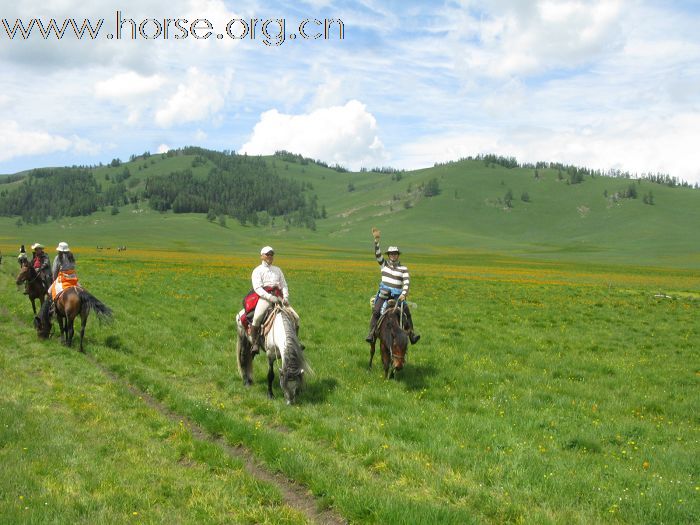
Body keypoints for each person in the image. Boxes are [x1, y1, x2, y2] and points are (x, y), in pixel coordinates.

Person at [365, 227, 420, 345]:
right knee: (376, 311)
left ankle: (412, 335)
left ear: (398, 255)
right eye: (391, 254)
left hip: (397, 297)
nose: (393, 256)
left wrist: (404, 294)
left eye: (395, 254)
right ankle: (371, 333)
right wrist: (376, 241)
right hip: (384, 295)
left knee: (407, 313)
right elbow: (378, 255)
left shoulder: (403, 269)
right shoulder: (383, 265)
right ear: (388, 255)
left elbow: (406, 283)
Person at [249, 246, 290, 354]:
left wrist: (285, 297)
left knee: (295, 317)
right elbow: (257, 287)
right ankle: (255, 344)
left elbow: (284, 285)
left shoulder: (278, 270)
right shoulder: (257, 270)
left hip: (279, 296)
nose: (270, 257)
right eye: (267, 254)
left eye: (272, 255)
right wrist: (269, 297)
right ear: (261, 256)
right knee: (257, 317)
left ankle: (294, 342)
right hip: (265, 298)